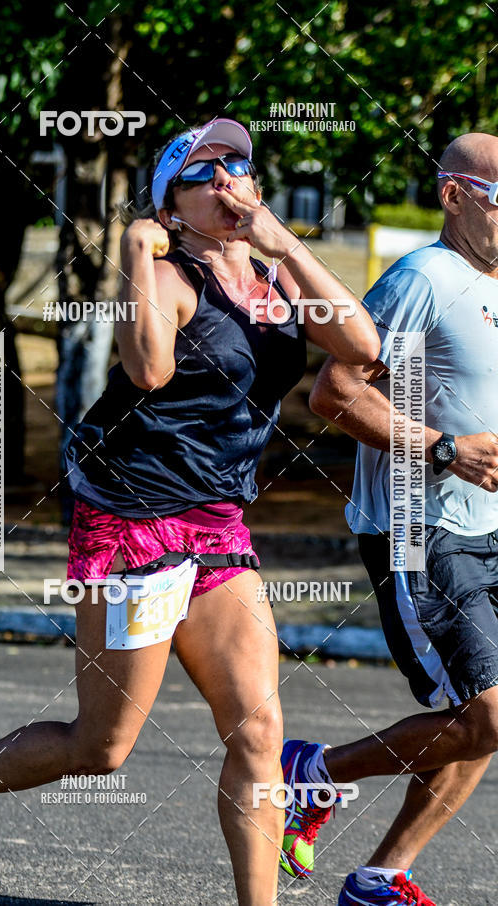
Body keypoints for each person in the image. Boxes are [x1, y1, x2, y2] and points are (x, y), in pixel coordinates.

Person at [0, 117, 379, 904]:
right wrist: (131, 252)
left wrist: (285, 244)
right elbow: (149, 370)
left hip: (218, 520)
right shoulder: (166, 276)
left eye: (240, 167)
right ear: (172, 207)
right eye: (205, 174)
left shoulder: (277, 277)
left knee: (259, 733)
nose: (228, 181)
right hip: (131, 520)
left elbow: (359, 348)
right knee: (103, 747)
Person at [280, 132, 498, 906]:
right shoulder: (423, 278)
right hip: (420, 527)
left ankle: (380, 875)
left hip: (491, 529)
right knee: (487, 713)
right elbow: (334, 393)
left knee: (482, 719)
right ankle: (310, 774)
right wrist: (443, 449)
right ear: (454, 196)